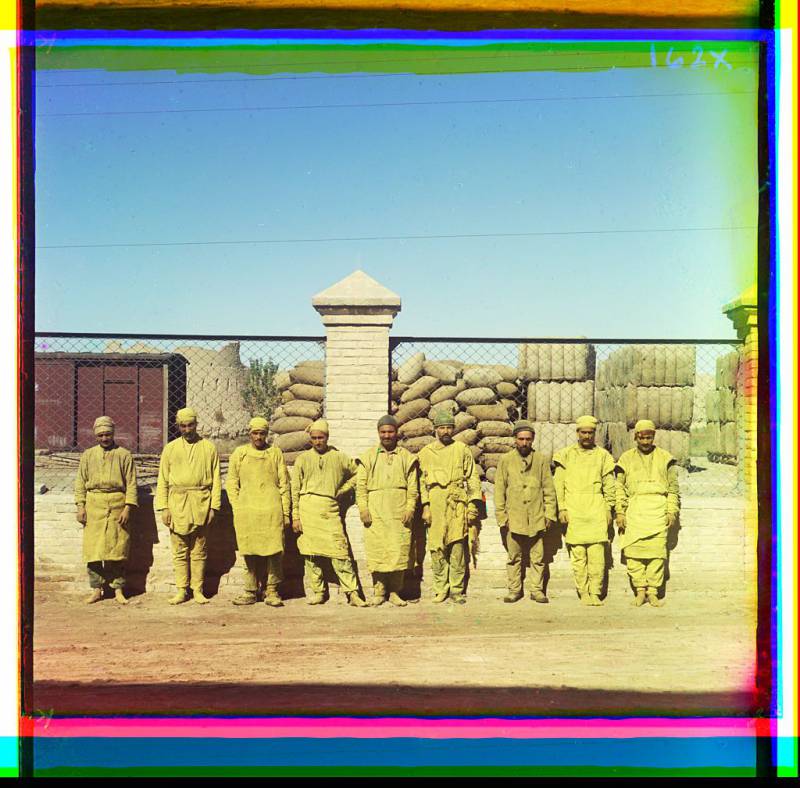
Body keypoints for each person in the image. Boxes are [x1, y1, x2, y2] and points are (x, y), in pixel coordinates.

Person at [291, 419, 367, 607]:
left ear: (327, 437)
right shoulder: (303, 459)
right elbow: (294, 489)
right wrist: (295, 516)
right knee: (311, 555)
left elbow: (359, 473)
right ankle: (318, 592)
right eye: (314, 438)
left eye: (321, 438)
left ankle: (352, 593)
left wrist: (344, 489)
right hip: (307, 507)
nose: (318, 441)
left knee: (340, 552)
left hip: (329, 508)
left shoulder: (339, 457)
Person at [155, 407, 221, 605]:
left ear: (196, 424)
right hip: (177, 504)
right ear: (178, 426)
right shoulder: (171, 449)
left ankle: (198, 590)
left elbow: (217, 479)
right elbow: (162, 480)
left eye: (190, 425)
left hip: (201, 502)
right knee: (180, 550)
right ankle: (182, 590)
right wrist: (164, 508)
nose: (187, 429)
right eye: (183, 426)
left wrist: (213, 507)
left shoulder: (208, 448)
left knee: (199, 549)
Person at [418, 409, 482, 604]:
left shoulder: (461, 449)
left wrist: (472, 505)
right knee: (437, 547)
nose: (445, 431)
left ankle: (456, 589)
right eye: (441, 428)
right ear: (435, 430)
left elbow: (472, 478)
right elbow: (421, 482)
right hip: (436, 500)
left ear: (453, 429)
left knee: (457, 547)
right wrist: (426, 507)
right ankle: (440, 589)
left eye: (448, 427)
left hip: (456, 501)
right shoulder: (426, 452)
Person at [226, 416, 291, 607]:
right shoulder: (240, 454)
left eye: (262, 433)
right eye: (255, 433)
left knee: (274, 551)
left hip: (271, 509)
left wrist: (285, 512)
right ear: (249, 434)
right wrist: (237, 507)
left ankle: (272, 590)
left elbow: (284, 484)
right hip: (247, 510)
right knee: (249, 550)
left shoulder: (275, 453)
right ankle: (250, 590)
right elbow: (232, 483)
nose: (258, 437)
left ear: (267, 434)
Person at [615, 419, 681, 607]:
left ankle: (653, 592)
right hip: (635, 511)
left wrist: (671, 511)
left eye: (649, 438)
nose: (645, 442)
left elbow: (673, 490)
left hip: (658, 511)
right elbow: (619, 488)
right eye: (641, 438)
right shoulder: (626, 459)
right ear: (635, 437)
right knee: (634, 554)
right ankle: (640, 591)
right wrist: (620, 512)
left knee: (657, 554)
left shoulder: (665, 458)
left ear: (654, 437)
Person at [356, 415, 420, 607]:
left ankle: (395, 592)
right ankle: (379, 590)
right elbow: (360, 487)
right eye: (383, 432)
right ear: (378, 433)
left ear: (396, 433)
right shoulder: (367, 457)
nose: (387, 435)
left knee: (398, 550)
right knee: (378, 550)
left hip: (398, 509)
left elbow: (413, 488)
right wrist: (363, 508)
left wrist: (410, 508)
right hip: (375, 511)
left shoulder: (407, 458)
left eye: (390, 431)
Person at [552, 415, 616, 606]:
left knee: (597, 557)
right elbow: (558, 485)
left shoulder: (603, 456)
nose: (587, 436)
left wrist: (608, 509)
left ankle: (596, 592)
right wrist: (561, 508)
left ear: (594, 434)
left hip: (596, 509)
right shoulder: (565, 455)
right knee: (578, 556)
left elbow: (609, 486)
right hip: (574, 510)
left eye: (590, 433)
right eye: (583, 432)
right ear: (577, 433)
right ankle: (584, 592)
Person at [74, 416, 138, 604]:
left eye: (108, 434)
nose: (104, 438)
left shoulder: (124, 455)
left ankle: (118, 589)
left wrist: (127, 508)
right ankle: (96, 589)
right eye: (101, 435)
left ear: (113, 434)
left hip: (117, 504)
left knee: (117, 549)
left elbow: (132, 484)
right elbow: (80, 483)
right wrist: (80, 506)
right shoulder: (88, 455)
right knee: (93, 550)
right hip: (94, 504)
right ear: (96, 436)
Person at [494, 421, 557, 604]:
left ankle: (536, 590)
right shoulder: (506, 461)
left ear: (533, 440)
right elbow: (499, 491)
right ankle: (514, 590)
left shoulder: (541, 460)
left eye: (528, 439)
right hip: (514, 518)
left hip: (536, 517)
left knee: (538, 558)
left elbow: (549, 489)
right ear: (515, 439)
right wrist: (502, 517)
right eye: (520, 439)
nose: (524, 443)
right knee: (514, 557)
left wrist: (549, 515)